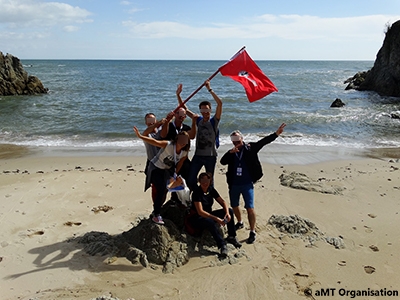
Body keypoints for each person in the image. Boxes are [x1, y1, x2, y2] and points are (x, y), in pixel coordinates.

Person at [220, 123, 286, 244]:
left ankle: (252, 231)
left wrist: (276, 134)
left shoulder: (251, 148)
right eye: (233, 140)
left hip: (247, 184)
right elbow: (222, 162)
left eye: (237, 139)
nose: (235, 142)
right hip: (234, 184)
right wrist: (230, 152)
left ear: (242, 138)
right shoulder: (232, 152)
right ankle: (240, 222)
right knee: (234, 205)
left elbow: (264, 141)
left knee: (250, 208)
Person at [133, 126, 191, 225]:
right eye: (181, 139)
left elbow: (180, 163)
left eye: (185, 141)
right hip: (155, 168)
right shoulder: (168, 145)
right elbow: (154, 142)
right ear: (177, 139)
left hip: (167, 170)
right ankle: (156, 215)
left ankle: (163, 209)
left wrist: (175, 174)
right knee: (160, 189)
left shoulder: (184, 152)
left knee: (171, 188)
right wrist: (140, 136)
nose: (182, 142)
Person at [179, 80, 222, 190]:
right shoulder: (198, 120)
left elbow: (220, 103)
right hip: (198, 155)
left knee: (209, 182)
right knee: (191, 179)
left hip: (210, 157)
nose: (205, 112)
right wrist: (178, 95)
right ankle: (196, 198)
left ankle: (208, 203)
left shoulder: (214, 121)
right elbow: (184, 109)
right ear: (200, 111)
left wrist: (209, 89)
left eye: (207, 109)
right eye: (203, 110)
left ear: (210, 110)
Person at [189, 172, 242, 258]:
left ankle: (232, 236)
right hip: (197, 218)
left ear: (210, 181)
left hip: (208, 215)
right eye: (202, 180)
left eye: (207, 180)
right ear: (199, 181)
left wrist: (227, 214)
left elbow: (223, 202)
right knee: (210, 221)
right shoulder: (197, 192)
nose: (205, 183)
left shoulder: (211, 190)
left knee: (230, 211)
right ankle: (221, 245)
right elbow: (200, 212)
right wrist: (217, 219)